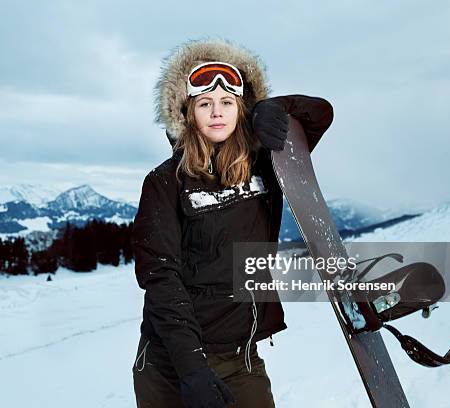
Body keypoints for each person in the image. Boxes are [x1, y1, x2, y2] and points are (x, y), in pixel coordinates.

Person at [131, 38, 334, 408]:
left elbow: (320, 116)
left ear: (242, 109)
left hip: (242, 359)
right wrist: (192, 369)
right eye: (204, 104)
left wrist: (276, 107)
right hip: (173, 363)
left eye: (227, 102)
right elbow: (161, 278)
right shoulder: (164, 182)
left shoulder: (267, 166)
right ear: (186, 113)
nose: (216, 112)